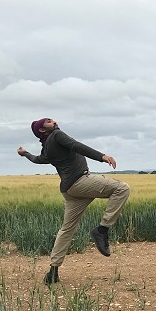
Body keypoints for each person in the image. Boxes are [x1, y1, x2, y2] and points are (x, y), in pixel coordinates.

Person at [17, 118, 130, 285]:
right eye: (48, 121)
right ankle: (102, 230)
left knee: (67, 229)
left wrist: (24, 153)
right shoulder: (56, 135)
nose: (53, 121)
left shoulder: (47, 146)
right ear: (42, 129)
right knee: (122, 188)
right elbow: (77, 146)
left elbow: (37, 160)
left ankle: (53, 271)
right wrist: (102, 156)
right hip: (80, 182)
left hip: (69, 190)